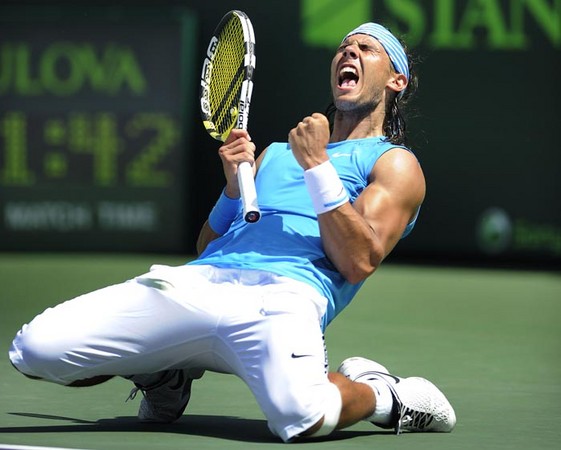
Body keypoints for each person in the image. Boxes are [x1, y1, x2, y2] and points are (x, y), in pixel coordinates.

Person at [9, 22, 456, 442]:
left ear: (395, 80)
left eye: (366, 49)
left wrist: (319, 167)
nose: (349, 52)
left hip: (283, 300)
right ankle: (166, 371)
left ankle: (384, 394)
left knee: (300, 418)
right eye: (344, 47)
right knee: (34, 350)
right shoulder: (277, 154)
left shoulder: (394, 162)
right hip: (201, 285)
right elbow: (208, 247)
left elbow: (357, 261)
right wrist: (231, 186)